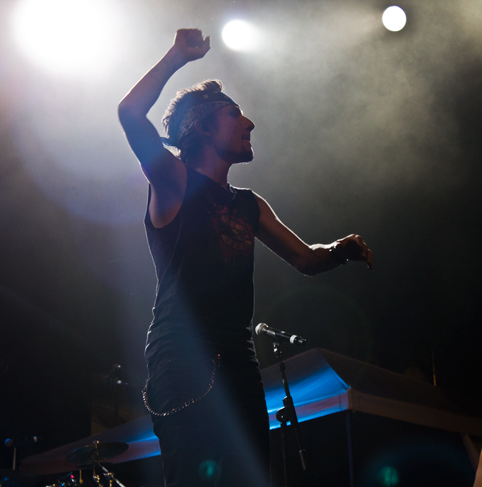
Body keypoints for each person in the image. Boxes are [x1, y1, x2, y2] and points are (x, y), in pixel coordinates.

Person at [118, 29, 372, 487]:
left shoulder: (250, 204)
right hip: (182, 354)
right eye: (235, 114)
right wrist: (176, 56)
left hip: (239, 356)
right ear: (203, 128)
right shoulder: (174, 180)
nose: (250, 123)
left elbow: (304, 258)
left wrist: (338, 250)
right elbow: (130, 113)